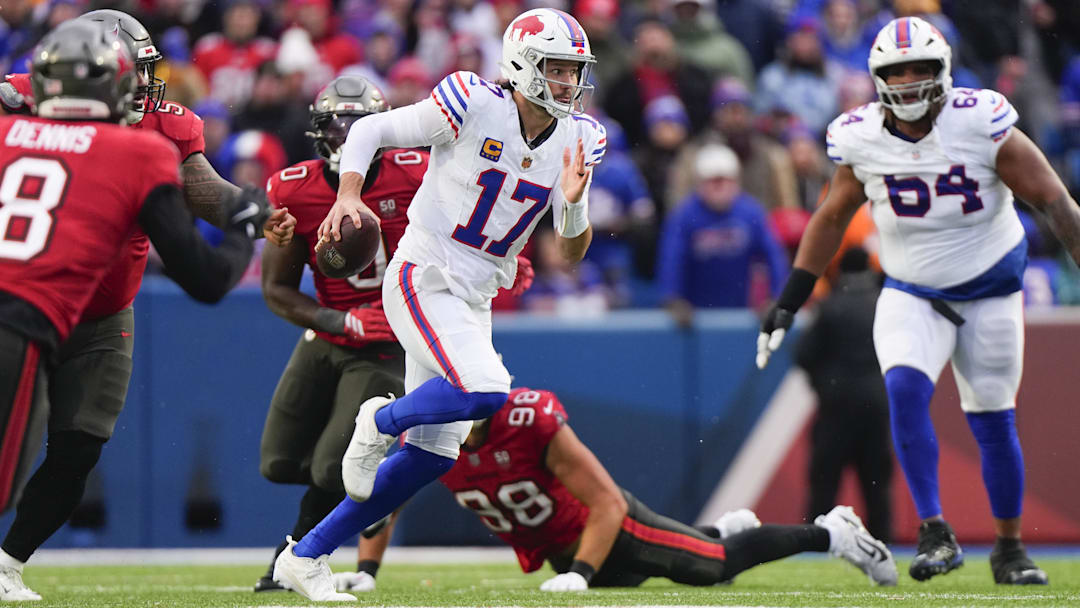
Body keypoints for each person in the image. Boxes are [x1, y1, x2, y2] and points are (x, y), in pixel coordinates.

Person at [271, 8, 607, 601]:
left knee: (434, 456)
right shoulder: (473, 103)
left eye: (572, 71)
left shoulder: (580, 137)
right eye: (556, 69)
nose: (567, 83)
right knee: (487, 391)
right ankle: (378, 419)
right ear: (523, 65)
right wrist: (349, 195)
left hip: (474, 295)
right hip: (424, 272)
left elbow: (574, 252)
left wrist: (576, 204)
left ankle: (306, 555)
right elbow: (370, 131)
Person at [756, 16, 1080, 585]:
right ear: (876, 77)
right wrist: (791, 297)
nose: (907, 81)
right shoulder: (860, 135)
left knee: (994, 421)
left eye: (919, 69)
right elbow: (831, 217)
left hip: (990, 293)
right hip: (912, 291)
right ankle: (934, 531)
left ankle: (1009, 549)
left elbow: (1055, 202)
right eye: (895, 71)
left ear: (944, 71)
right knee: (903, 390)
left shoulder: (980, 122)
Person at [0, 11, 295, 602]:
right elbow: (206, 272)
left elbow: (201, 189)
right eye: (127, 72)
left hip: (102, 306)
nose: (140, 84)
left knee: (77, 445)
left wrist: (252, 212)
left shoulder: (155, 128)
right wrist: (245, 224)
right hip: (33, 302)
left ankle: (8, 561)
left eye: (142, 71)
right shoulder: (40, 105)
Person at [331, 388, 897, 593]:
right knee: (637, 577)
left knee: (711, 569)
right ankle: (717, 530)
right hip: (562, 548)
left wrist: (579, 571)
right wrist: (369, 569)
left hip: (607, 528)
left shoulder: (528, 419)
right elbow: (387, 501)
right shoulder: (430, 439)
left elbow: (605, 502)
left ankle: (831, 532)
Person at [251, 74, 421, 592]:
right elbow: (277, 289)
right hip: (332, 330)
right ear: (317, 131)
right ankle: (371, 495)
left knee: (330, 469)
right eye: (336, 125)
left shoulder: (418, 173)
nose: (347, 135)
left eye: (359, 124)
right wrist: (340, 320)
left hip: (388, 340)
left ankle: (291, 558)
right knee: (279, 462)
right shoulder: (292, 187)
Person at [795, 247, 892, 543]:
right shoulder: (883, 304)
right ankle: (883, 546)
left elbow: (803, 354)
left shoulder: (830, 305)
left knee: (824, 483)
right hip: (876, 404)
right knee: (877, 486)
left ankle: (814, 542)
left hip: (836, 405)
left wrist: (823, 381)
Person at [658, 144, 789, 326]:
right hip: (694, 316)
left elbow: (773, 255)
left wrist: (777, 298)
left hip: (739, 311)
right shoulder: (684, 216)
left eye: (725, 181)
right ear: (699, 183)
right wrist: (673, 298)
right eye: (713, 182)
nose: (720, 188)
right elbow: (671, 259)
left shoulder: (751, 213)